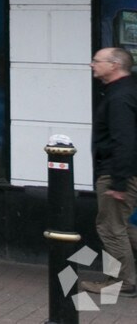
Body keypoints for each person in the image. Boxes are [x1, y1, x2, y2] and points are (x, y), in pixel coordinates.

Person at [90, 48, 137, 295]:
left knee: (110, 227)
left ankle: (122, 283)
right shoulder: (125, 90)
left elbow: (124, 140)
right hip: (126, 171)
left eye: (96, 61)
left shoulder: (119, 97)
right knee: (125, 226)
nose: (92, 65)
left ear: (114, 65)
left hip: (118, 173)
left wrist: (118, 183)